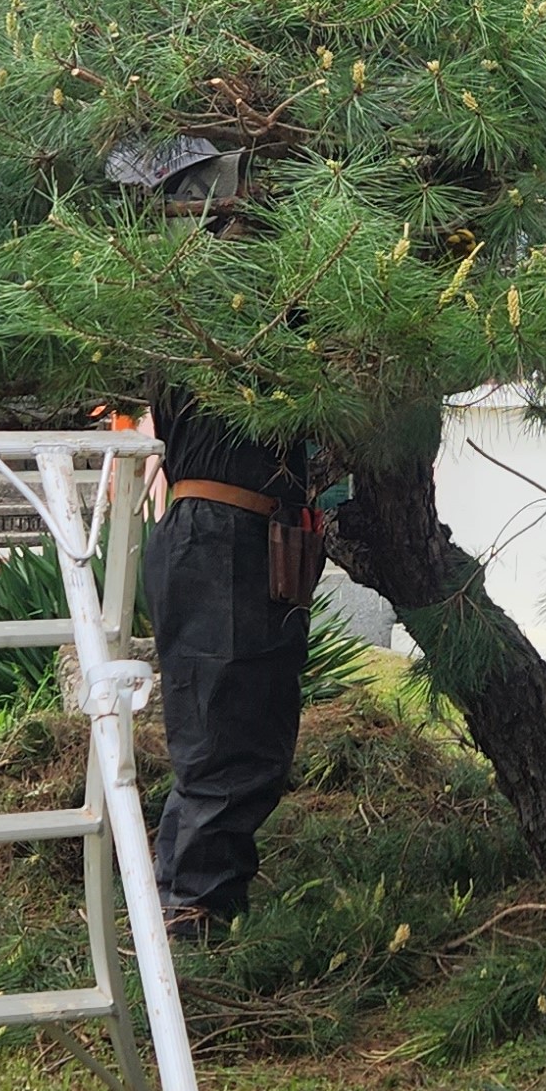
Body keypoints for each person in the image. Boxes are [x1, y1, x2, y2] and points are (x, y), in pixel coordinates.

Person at [144, 386, 316, 937]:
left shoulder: (181, 327)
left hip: (204, 534)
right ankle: (196, 919)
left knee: (211, 732)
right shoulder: (257, 319)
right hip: (227, 540)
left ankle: (176, 907)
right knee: (229, 735)